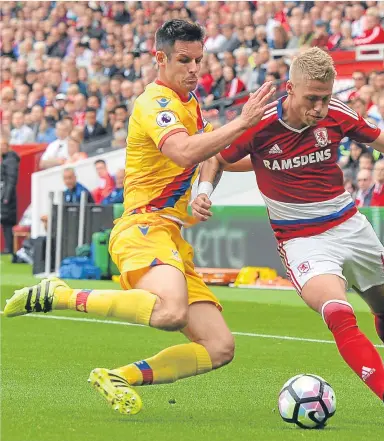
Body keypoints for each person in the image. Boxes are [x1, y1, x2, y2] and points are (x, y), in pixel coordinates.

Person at [4, 19, 276, 416]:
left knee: (219, 347)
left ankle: (119, 377)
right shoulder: (155, 103)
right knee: (170, 311)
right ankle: (59, 294)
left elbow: (215, 154)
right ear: (160, 58)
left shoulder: (190, 103)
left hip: (171, 236)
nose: (194, 69)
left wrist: (280, 158)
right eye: (184, 60)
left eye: (199, 60)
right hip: (142, 227)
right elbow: (185, 152)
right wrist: (243, 121)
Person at [192, 48, 384, 426]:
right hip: (301, 239)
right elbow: (218, 156)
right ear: (290, 89)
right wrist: (203, 191)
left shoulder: (337, 113)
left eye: (325, 97)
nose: (319, 108)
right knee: (339, 312)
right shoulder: (260, 124)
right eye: (311, 99)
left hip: (350, 226)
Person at [0, 137, 20, 254]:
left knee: (7, 223)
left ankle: (9, 248)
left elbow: (11, 180)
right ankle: (8, 248)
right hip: (5, 194)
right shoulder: (7, 159)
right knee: (6, 222)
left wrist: (6, 197)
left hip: (7, 196)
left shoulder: (10, 160)